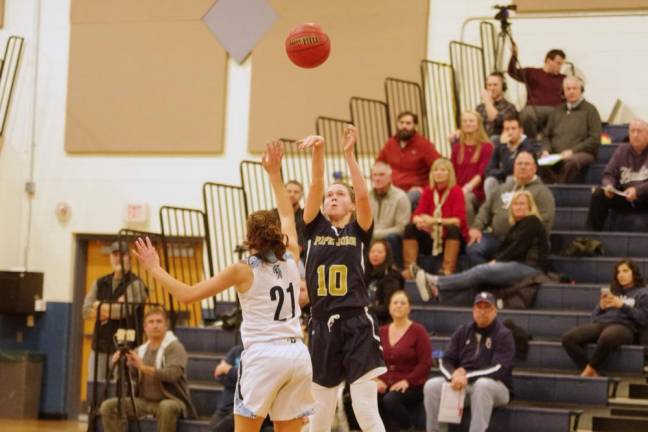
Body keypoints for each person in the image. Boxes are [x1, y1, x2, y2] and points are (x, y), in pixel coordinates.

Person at [133, 142, 314, 432]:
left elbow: (188, 295)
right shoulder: (292, 255)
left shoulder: (241, 269)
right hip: (297, 355)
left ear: (249, 237)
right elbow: (287, 216)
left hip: (264, 356)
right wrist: (275, 176)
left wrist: (155, 268)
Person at [300, 125, 387, 432]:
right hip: (322, 324)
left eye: (339, 195)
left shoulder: (359, 231)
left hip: (356, 322)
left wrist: (349, 154)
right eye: (329, 196)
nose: (332, 198)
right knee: (319, 414)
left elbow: (363, 193)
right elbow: (314, 186)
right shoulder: (314, 229)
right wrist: (320, 150)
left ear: (350, 205)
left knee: (365, 410)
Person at [414, 191, 549, 305]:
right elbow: (506, 248)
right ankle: (438, 294)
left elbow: (517, 247)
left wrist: (496, 262)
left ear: (530, 207)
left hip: (530, 268)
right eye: (515, 204)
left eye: (522, 204)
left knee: (481, 271)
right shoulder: (516, 226)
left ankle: (436, 281)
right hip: (518, 266)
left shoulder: (532, 221)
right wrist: (496, 261)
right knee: (481, 282)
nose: (518, 207)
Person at [423, 292, 514, 432]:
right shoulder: (463, 331)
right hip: (464, 386)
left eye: (487, 308)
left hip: (496, 388)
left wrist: (466, 376)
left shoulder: (504, 334)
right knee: (431, 386)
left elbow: (498, 369)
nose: (482, 312)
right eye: (479, 307)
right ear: (473, 310)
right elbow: (445, 359)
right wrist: (453, 375)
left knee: (482, 385)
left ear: (495, 311)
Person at [99, 307, 197, 432]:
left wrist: (143, 367)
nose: (155, 325)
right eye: (151, 322)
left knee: (166, 407)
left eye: (159, 321)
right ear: (145, 328)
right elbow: (129, 375)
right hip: (144, 401)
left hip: (172, 400)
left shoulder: (175, 347)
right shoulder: (140, 350)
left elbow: (173, 374)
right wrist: (121, 363)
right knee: (109, 406)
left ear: (166, 326)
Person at [562, 259, 648, 377]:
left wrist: (622, 305)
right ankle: (592, 372)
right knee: (568, 338)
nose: (621, 275)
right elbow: (593, 318)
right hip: (602, 324)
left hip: (624, 328)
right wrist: (601, 307)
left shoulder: (643, 293)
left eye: (625, 271)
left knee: (607, 337)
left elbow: (643, 319)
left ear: (634, 273)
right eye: (618, 272)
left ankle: (587, 372)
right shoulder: (613, 292)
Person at [468, 151, 555, 266]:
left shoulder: (543, 192)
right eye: (519, 164)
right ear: (514, 167)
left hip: (523, 244)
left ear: (534, 168)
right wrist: (476, 227)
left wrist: (520, 234)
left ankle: (490, 275)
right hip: (497, 239)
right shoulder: (502, 188)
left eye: (527, 164)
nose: (523, 167)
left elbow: (545, 221)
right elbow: (485, 209)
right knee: (473, 249)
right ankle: (490, 278)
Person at [82, 241, 148, 382]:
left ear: (129, 257)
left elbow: (124, 311)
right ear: (110, 257)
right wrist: (111, 308)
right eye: (115, 254)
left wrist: (98, 305)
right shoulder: (99, 282)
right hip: (99, 346)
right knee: (96, 389)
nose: (118, 258)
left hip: (126, 348)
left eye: (122, 254)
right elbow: (86, 311)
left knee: (121, 391)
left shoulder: (136, 284)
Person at [377, 291, 432, 432]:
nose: (399, 306)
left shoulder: (418, 331)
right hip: (384, 383)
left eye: (403, 303)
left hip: (411, 385)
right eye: (395, 303)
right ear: (389, 307)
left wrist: (407, 381)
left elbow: (425, 363)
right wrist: (376, 379)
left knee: (390, 399)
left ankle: (408, 428)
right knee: (369, 394)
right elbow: (372, 359)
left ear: (409, 308)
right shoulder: (381, 331)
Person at [402, 158, 467, 278]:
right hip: (431, 235)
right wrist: (422, 222)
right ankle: (410, 269)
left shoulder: (456, 191)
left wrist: (435, 221)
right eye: (436, 170)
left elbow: (458, 221)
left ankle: (447, 270)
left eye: (443, 170)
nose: (439, 173)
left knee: (453, 229)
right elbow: (416, 215)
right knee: (410, 228)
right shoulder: (428, 191)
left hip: (451, 237)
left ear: (450, 173)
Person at [586, 119, 648, 231]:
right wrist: (609, 185)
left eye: (639, 131)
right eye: (632, 131)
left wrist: (638, 191)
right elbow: (608, 174)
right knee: (599, 195)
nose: (635, 134)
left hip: (645, 197)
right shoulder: (622, 150)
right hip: (625, 196)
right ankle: (590, 238)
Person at [540, 76, 603, 184]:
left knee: (571, 161)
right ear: (563, 92)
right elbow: (547, 136)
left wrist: (573, 151)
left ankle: (559, 189)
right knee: (538, 160)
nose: (571, 91)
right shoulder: (557, 110)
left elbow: (595, 139)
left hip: (582, 153)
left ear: (581, 90)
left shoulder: (591, 110)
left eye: (574, 88)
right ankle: (550, 190)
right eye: (568, 89)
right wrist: (546, 150)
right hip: (556, 154)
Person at [376, 111, 441, 208]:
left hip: (414, 191)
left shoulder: (424, 145)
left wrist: (425, 188)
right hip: (392, 189)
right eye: (401, 123)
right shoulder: (391, 143)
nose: (404, 126)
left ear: (415, 126)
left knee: (401, 203)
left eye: (408, 123)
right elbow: (379, 165)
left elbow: (438, 167)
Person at [508, 46, 566, 138]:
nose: (560, 67)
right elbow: (512, 71)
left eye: (562, 64)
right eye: (558, 63)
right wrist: (514, 56)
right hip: (534, 110)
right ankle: (531, 143)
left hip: (555, 111)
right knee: (526, 113)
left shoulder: (563, 78)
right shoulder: (532, 73)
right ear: (548, 61)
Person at [450, 111, 494, 226]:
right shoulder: (456, 147)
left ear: (478, 124)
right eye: (464, 121)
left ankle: (470, 233)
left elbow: (482, 173)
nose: (467, 124)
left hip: (476, 191)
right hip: (458, 188)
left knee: (465, 199)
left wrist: (466, 188)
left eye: (471, 121)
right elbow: (452, 172)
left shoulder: (486, 147)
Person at [483, 115, 540, 201]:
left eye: (513, 129)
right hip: (505, 179)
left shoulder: (527, 147)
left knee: (510, 179)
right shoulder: (501, 146)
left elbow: (510, 169)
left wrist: (504, 146)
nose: (510, 132)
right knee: (489, 181)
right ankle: (494, 209)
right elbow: (488, 170)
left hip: (526, 182)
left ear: (520, 131)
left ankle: (508, 210)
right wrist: (503, 173)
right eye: (507, 129)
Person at [369, 161, 412, 268]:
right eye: (375, 175)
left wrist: (376, 234)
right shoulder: (366, 197)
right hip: (370, 236)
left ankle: (397, 270)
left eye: (381, 175)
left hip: (390, 239)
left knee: (393, 238)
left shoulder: (400, 197)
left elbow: (401, 228)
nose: (378, 178)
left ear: (390, 177)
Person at [366, 239, 405, 325]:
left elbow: (388, 307)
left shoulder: (392, 277)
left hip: (384, 322)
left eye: (379, 252)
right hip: (365, 318)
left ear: (387, 255)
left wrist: (365, 309)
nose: (375, 255)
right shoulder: (363, 273)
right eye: (372, 252)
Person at [208, 344, 244, 432]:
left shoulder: (259, 353)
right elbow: (219, 376)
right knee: (212, 427)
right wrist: (241, 381)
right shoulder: (236, 350)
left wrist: (228, 369)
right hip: (225, 406)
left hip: (245, 407)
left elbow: (252, 379)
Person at [475, 72, 517, 139]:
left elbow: (496, 120)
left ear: (502, 86)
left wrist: (487, 102)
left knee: (494, 138)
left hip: (500, 142)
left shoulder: (509, 107)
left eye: (495, 85)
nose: (492, 88)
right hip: (482, 143)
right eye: (489, 85)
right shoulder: (480, 108)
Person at [286, 179, 307, 258]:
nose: (292, 194)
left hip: (302, 257)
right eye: (289, 191)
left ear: (301, 194)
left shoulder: (306, 215)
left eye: (296, 192)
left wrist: (301, 248)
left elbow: (312, 237)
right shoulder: (273, 215)